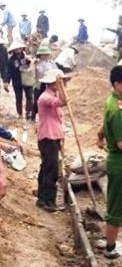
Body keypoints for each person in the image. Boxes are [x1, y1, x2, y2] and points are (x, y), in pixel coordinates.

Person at [97, 65, 122, 258]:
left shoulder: (117, 101)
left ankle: (109, 240)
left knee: (116, 200)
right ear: (116, 84)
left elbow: (105, 127)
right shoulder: (119, 108)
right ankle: (110, 247)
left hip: (119, 161)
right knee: (118, 204)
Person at [36, 69, 68, 211]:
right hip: (47, 137)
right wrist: (61, 85)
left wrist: (61, 139)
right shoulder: (45, 97)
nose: (63, 84)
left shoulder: (52, 95)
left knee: (47, 167)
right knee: (51, 169)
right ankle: (48, 200)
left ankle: (42, 198)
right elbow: (63, 102)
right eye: (60, 82)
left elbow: (58, 120)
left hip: (53, 136)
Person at [7, 40, 30, 119]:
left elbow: (31, 66)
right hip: (17, 81)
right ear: (13, 50)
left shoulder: (26, 57)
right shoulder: (11, 60)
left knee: (29, 96)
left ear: (22, 48)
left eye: (19, 48)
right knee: (18, 97)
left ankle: (28, 112)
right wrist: (7, 81)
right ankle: (20, 113)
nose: (18, 50)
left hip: (26, 79)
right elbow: (9, 72)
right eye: (16, 49)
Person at [19, 55, 36, 121]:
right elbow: (30, 70)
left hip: (26, 84)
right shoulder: (28, 67)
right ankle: (28, 113)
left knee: (29, 98)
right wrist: (32, 62)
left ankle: (28, 112)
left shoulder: (22, 67)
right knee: (30, 99)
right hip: (29, 84)